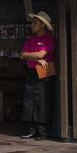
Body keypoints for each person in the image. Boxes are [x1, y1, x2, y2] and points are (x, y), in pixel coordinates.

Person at [20, 11, 56, 139]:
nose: (32, 25)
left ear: (42, 25)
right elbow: (22, 54)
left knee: (42, 100)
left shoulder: (48, 39)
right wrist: (35, 59)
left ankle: (43, 131)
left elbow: (41, 54)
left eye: (35, 22)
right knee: (29, 99)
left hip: (44, 71)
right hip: (31, 71)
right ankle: (31, 129)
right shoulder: (31, 39)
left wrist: (33, 57)